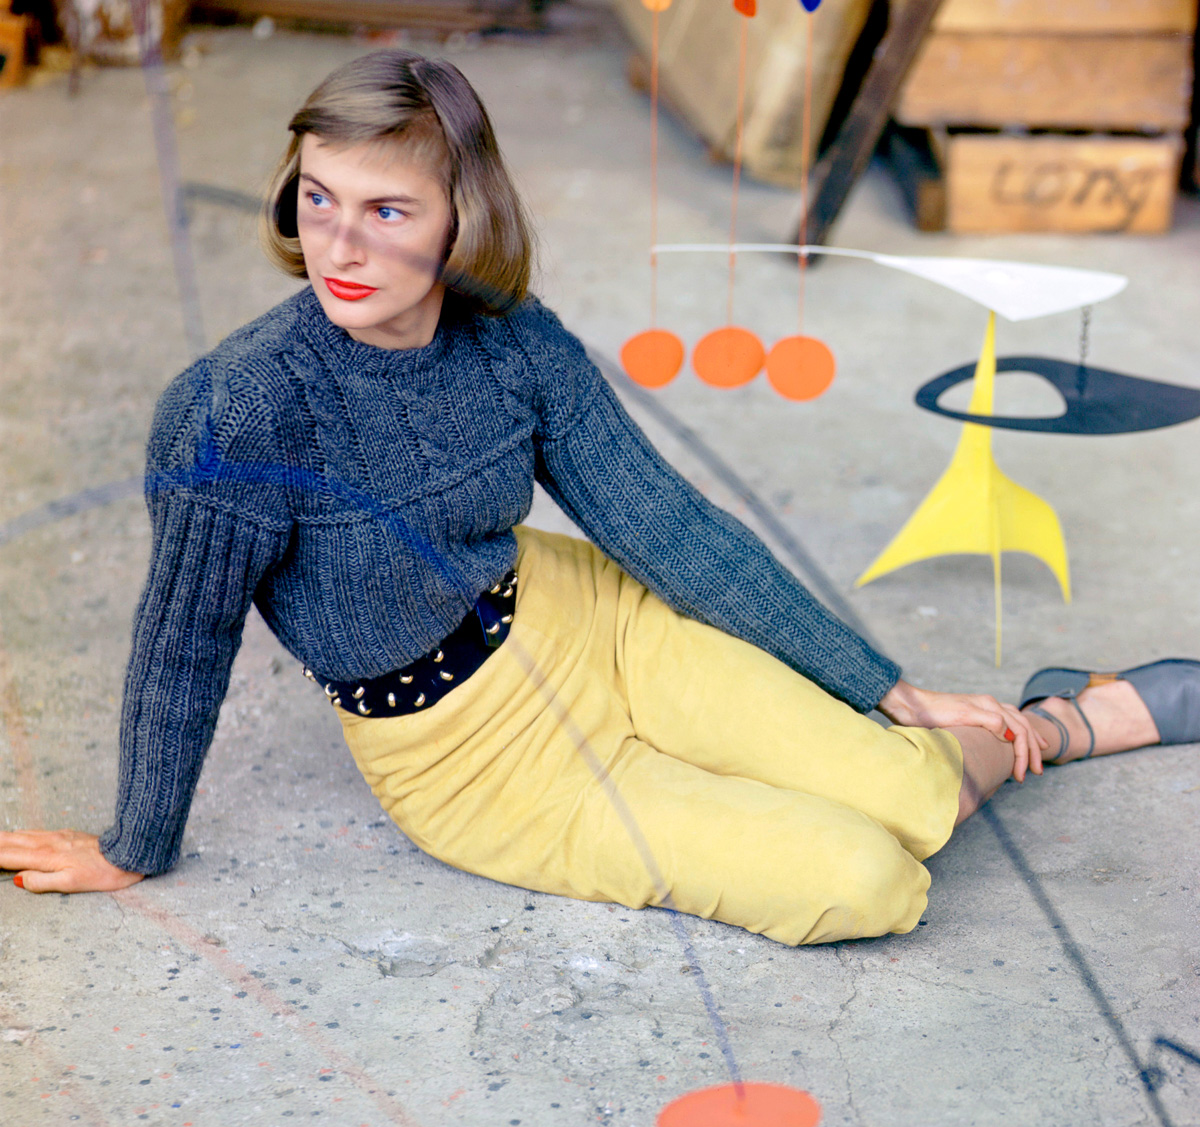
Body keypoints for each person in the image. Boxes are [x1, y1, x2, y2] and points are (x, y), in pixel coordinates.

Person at [1, 51, 1195, 945]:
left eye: (388, 209)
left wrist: (890, 688)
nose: (341, 246)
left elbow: (665, 526)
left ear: (464, 212)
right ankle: (1005, 735)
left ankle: (1052, 721)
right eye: (319, 199)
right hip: (473, 764)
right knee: (870, 881)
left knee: (908, 784)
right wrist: (135, 846)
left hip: (593, 626)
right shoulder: (239, 408)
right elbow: (182, 642)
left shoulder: (514, 342)